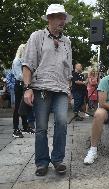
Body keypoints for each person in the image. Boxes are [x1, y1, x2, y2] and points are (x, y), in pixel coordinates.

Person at [22, 4, 73, 176]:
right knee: (41, 126)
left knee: (61, 122)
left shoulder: (67, 41)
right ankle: (42, 162)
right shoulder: (37, 36)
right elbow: (28, 63)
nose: (63, 20)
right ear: (50, 18)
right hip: (41, 87)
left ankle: (58, 159)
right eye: (59, 17)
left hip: (60, 89)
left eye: (64, 17)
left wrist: (68, 88)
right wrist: (27, 88)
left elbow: (68, 69)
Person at [12, 44, 35, 138]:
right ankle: (15, 129)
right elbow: (19, 76)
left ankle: (25, 127)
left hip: (25, 85)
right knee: (17, 107)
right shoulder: (17, 61)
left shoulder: (25, 61)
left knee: (24, 106)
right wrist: (29, 77)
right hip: (19, 85)